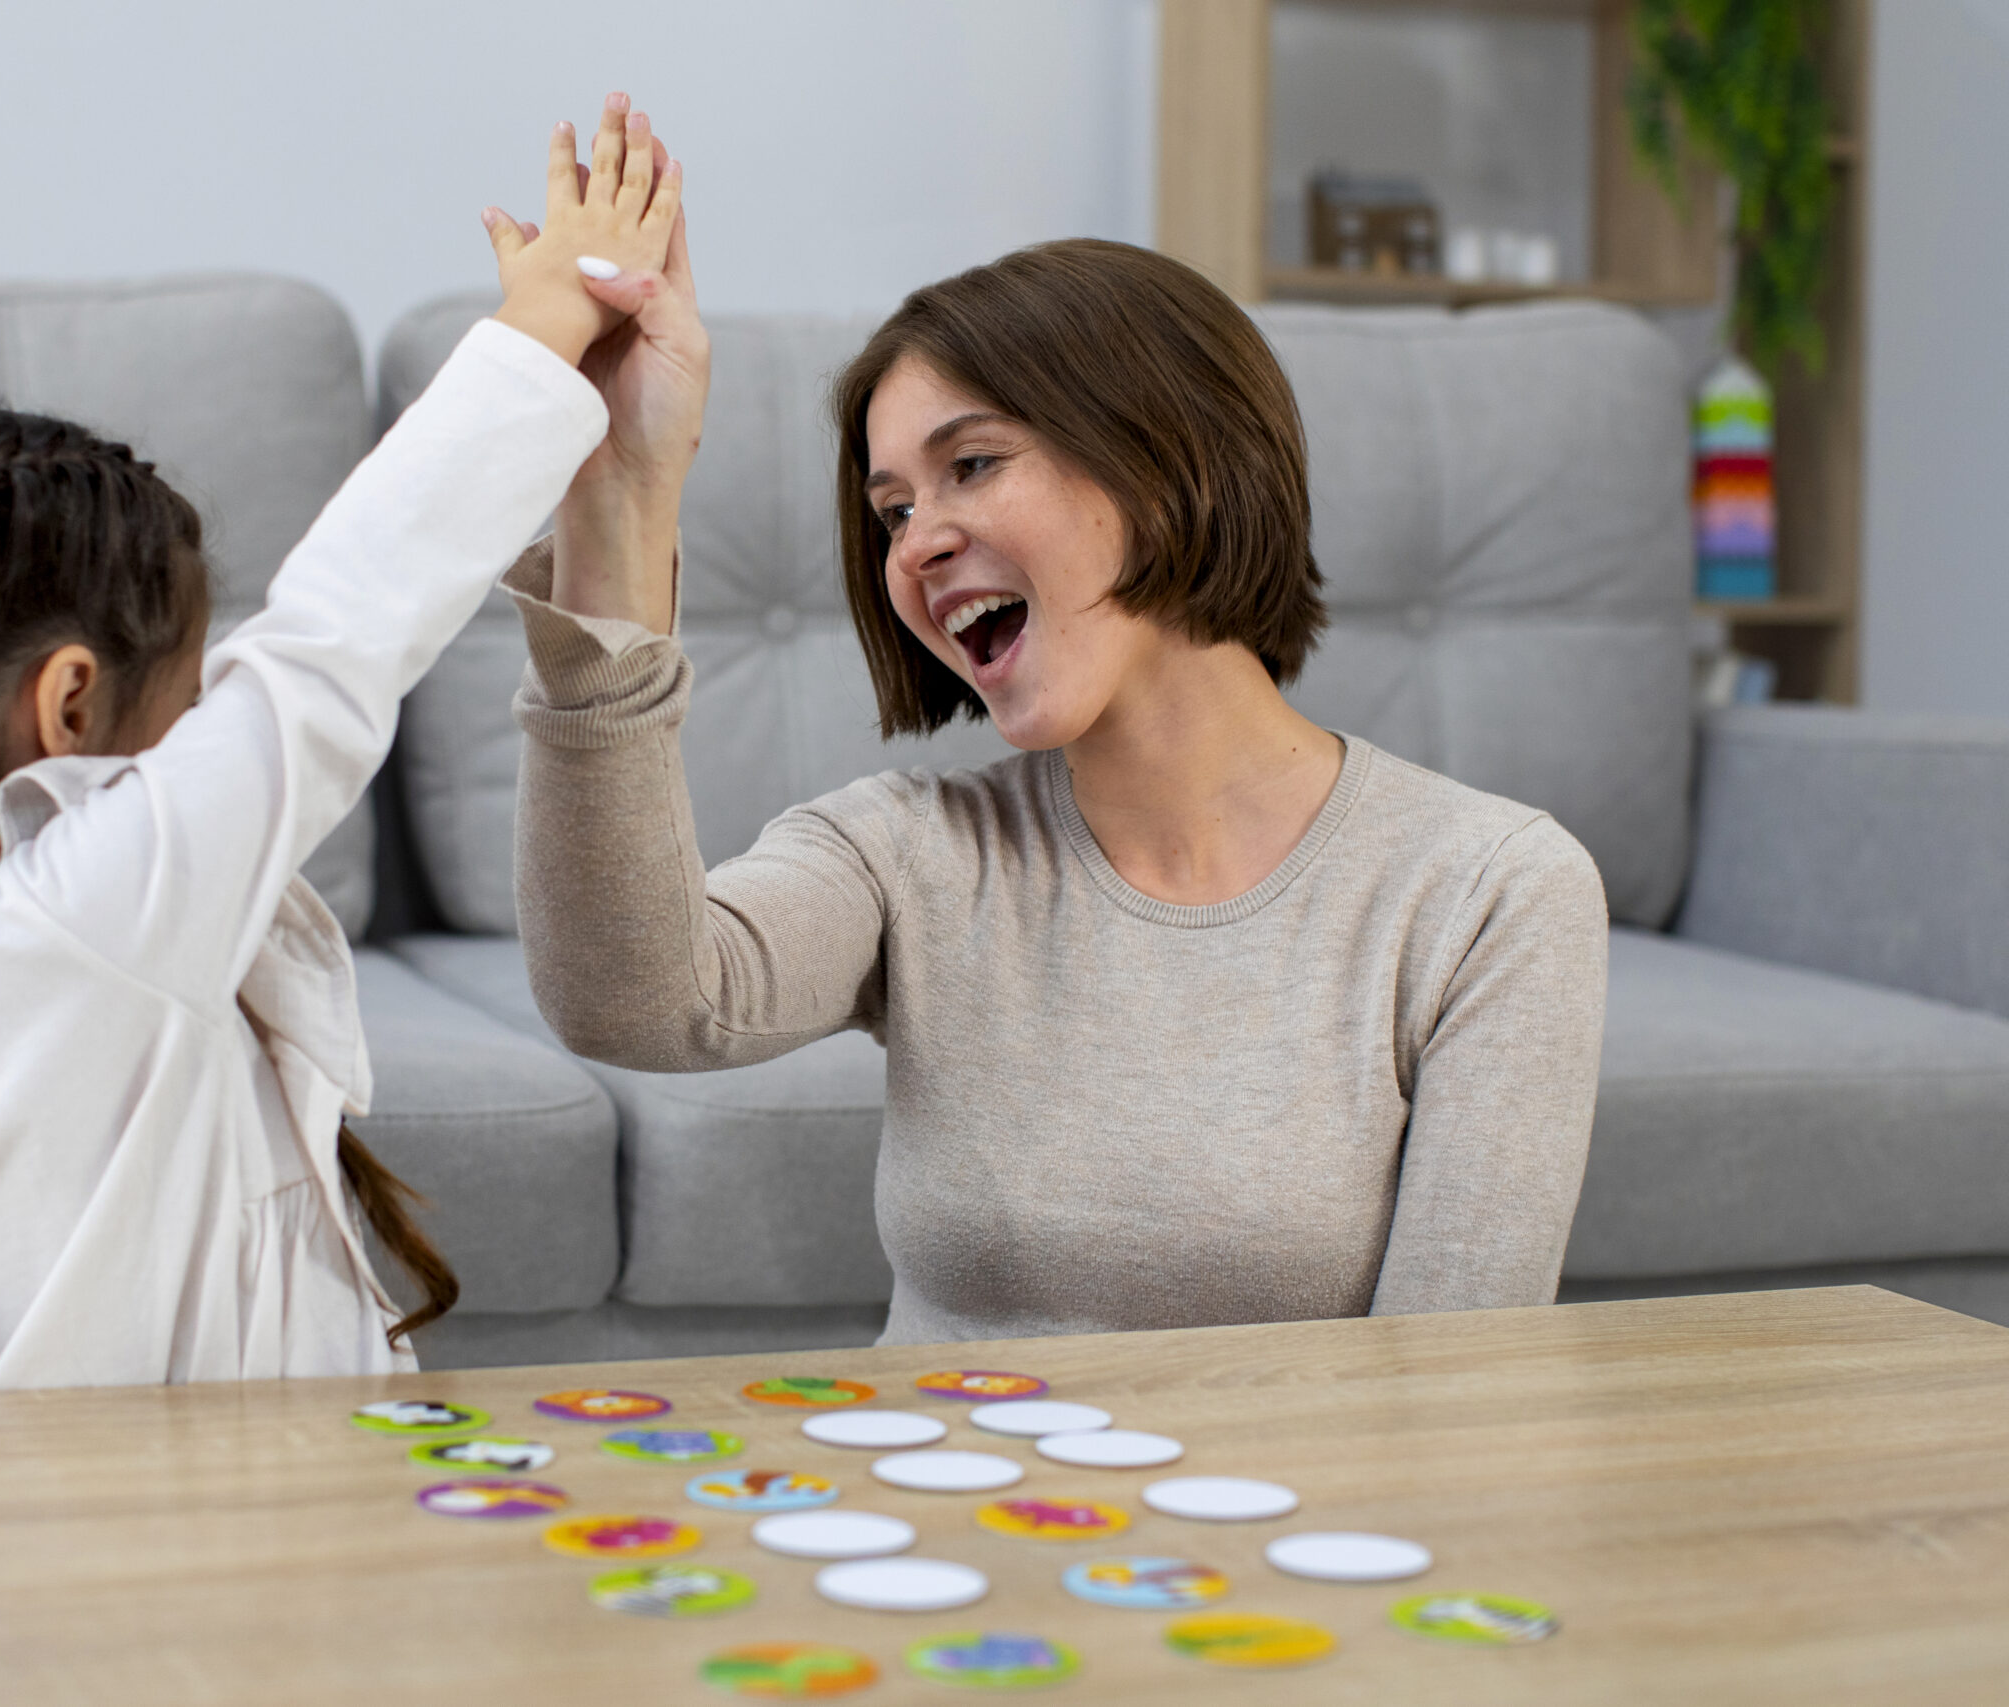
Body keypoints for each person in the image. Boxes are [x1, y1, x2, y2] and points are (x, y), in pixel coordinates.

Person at [507, 237, 1609, 1345]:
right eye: (892, 511)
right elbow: (634, 1000)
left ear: (1171, 454)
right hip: (933, 1507)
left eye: (972, 464)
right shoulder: (909, 851)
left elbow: (1457, 1389)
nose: (917, 547)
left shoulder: (1488, 891)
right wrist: (624, 500)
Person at [0, 95, 684, 1393]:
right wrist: (544, 325)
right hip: (213, 1568)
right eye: (193, 705)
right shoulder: (73, 928)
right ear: (69, 709)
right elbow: (333, 641)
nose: (211, 743)